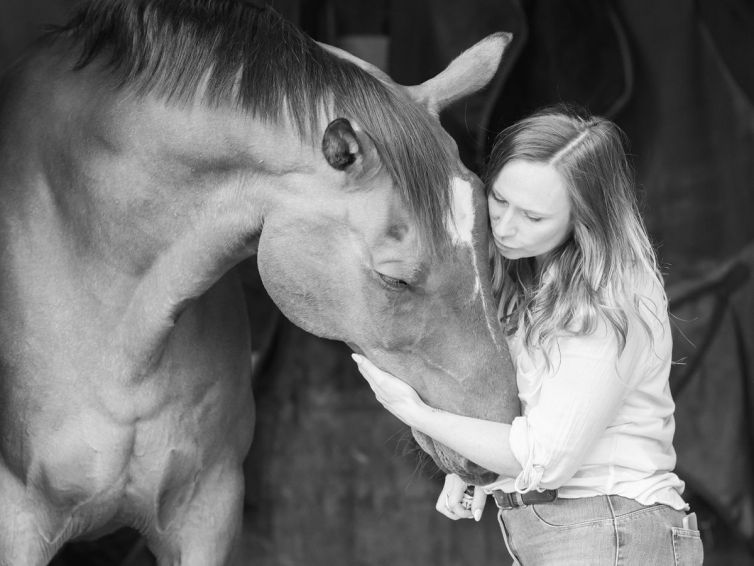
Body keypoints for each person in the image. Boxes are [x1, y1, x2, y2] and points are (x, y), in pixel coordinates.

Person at [352, 105, 704, 565]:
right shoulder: (529, 273)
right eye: (499, 199)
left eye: (534, 217)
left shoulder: (609, 293)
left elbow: (548, 455)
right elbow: (538, 410)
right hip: (579, 532)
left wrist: (417, 413)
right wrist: (478, 471)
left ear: (586, 218)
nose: (505, 225)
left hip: (613, 529)